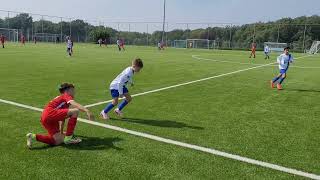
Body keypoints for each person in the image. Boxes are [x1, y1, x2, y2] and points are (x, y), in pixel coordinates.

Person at [26, 83, 95, 149]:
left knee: (57, 141)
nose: (74, 92)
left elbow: (62, 118)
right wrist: (87, 111)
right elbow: (73, 103)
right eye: (72, 90)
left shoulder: (61, 99)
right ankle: (69, 138)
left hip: (46, 118)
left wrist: (61, 132)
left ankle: (32, 136)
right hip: (50, 114)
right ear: (67, 90)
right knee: (75, 111)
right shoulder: (66, 95)